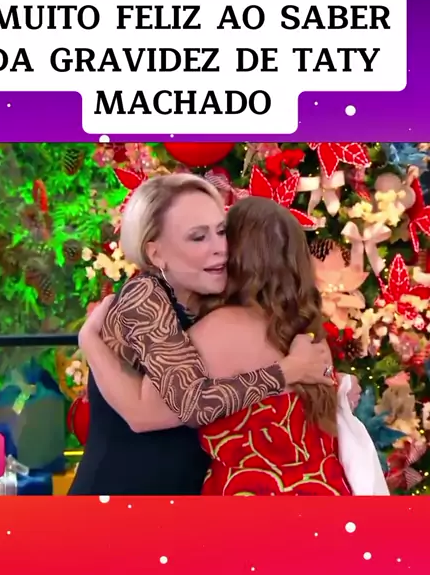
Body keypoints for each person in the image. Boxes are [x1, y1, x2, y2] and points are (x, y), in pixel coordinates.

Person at [70, 174, 335, 496]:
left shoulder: (212, 304)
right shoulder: (144, 295)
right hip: (120, 498)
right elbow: (165, 410)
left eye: (222, 232)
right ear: (156, 254)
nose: (220, 248)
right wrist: (89, 342)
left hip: (178, 503)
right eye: (198, 237)